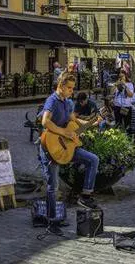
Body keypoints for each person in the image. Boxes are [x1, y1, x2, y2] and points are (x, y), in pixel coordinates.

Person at [39, 72, 99, 235]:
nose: (72, 91)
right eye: (70, 88)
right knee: (53, 187)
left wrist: (91, 123)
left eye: (73, 88)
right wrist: (64, 133)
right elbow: (45, 121)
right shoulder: (52, 100)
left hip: (67, 147)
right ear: (61, 86)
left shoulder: (68, 102)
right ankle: (52, 223)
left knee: (93, 160)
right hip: (51, 147)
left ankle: (85, 196)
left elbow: (73, 120)